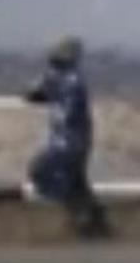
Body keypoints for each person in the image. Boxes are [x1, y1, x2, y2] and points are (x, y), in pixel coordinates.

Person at [24, 37, 111, 239]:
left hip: (68, 140)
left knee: (41, 170)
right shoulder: (60, 77)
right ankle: (94, 223)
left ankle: (84, 217)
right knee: (77, 184)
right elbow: (34, 94)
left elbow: (39, 95)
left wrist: (43, 90)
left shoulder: (71, 80)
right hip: (75, 139)